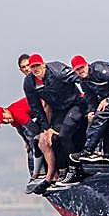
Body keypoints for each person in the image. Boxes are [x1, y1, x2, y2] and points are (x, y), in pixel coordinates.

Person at [23, 54, 89, 187]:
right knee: (53, 139)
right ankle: (63, 172)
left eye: (37, 65)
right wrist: (46, 128)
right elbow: (36, 107)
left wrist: (92, 101)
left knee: (64, 134)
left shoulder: (57, 70)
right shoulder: (29, 83)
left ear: (44, 64)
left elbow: (81, 79)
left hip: (75, 103)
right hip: (59, 110)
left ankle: (75, 171)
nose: (36, 69)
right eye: (32, 67)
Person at [0, 98, 45, 192]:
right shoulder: (12, 117)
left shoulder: (17, 113)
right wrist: (27, 143)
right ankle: (36, 174)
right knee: (30, 143)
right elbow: (20, 130)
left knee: (34, 141)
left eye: (4, 118)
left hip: (47, 105)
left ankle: (41, 174)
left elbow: (35, 130)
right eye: (3, 122)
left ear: (5, 110)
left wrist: (35, 142)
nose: (6, 121)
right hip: (41, 112)